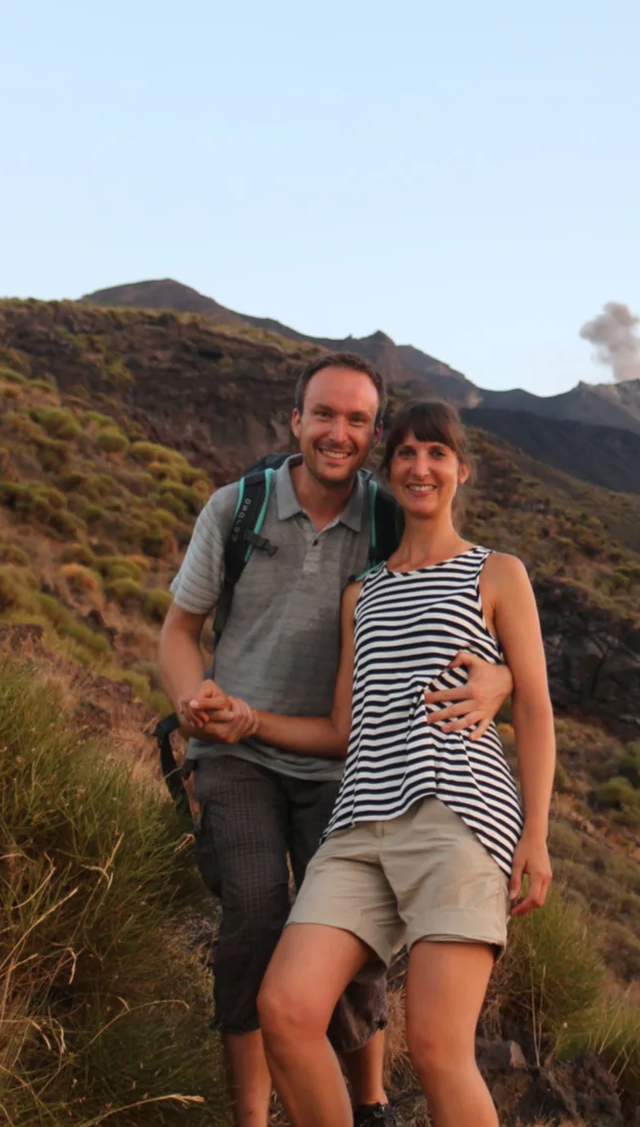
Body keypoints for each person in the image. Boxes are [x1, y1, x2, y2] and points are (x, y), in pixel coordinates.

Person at [159, 357, 514, 1127]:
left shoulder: (389, 516)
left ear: (373, 435)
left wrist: (505, 676)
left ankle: (371, 1101)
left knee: (355, 950)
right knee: (257, 912)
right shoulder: (239, 508)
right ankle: (252, 1117)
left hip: (348, 768)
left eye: (357, 420)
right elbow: (179, 631)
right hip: (241, 754)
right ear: (296, 420)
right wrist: (192, 700)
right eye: (324, 414)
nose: (338, 432)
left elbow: (456, 609)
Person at [238, 400, 557, 1127]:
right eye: (407, 453)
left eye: (437, 453)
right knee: (286, 1010)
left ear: (462, 471)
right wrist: (247, 720)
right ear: (389, 472)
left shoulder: (496, 573)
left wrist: (536, 835)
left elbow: (535, 709)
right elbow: (342, 729)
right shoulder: (363, 593)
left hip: (458, 820)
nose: (421, 467)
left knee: (438, 1048)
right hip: (357, 830)